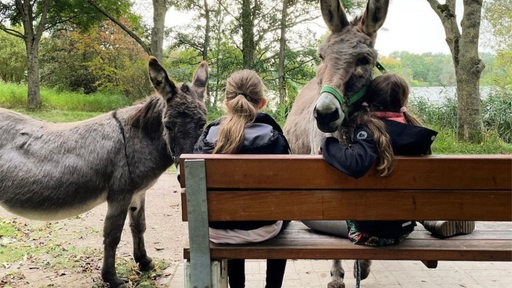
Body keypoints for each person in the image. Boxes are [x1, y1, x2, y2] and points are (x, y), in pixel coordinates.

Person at [303, 73, 474, 276]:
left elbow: (356, 163)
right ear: (403, 101)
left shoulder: (369, 132)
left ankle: (363, 250)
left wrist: (328, 144)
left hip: (369, 232)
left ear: (368, 102)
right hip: (402, 228)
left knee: (306, 217)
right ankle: (430, 221)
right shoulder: (416, 131)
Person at [194, 69, 290, 288]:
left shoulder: (209, 135)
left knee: (231, 212)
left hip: (217, 231)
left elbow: (186, 180)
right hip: (265, 230)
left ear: (226, 103)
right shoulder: (275, 139)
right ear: (262, 102)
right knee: (282, 211)